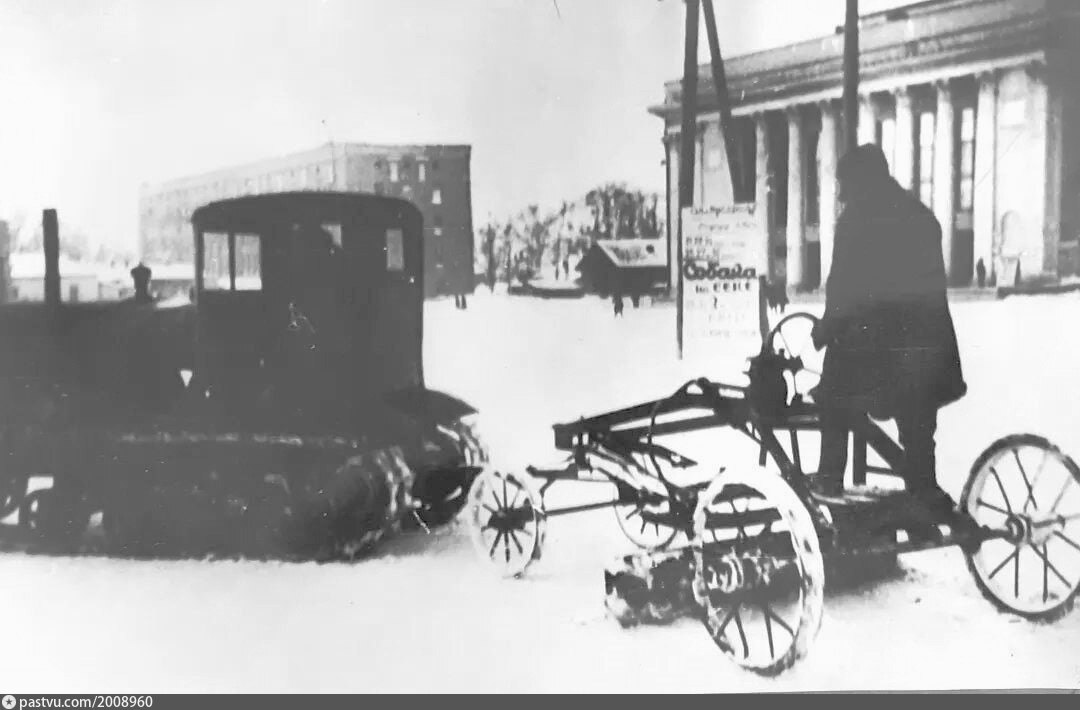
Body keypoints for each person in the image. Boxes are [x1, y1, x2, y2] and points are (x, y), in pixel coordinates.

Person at [811, 144, 969, 533]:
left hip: (876, 351)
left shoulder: (855, 221)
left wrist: (825, 329)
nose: (841, 195)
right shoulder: (921, 215)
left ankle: (828, 479)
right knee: (918, 425)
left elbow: (843, 289)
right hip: (927, 350)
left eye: (844, 185)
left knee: (833, 395)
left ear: (859, 181)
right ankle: (923, 493)